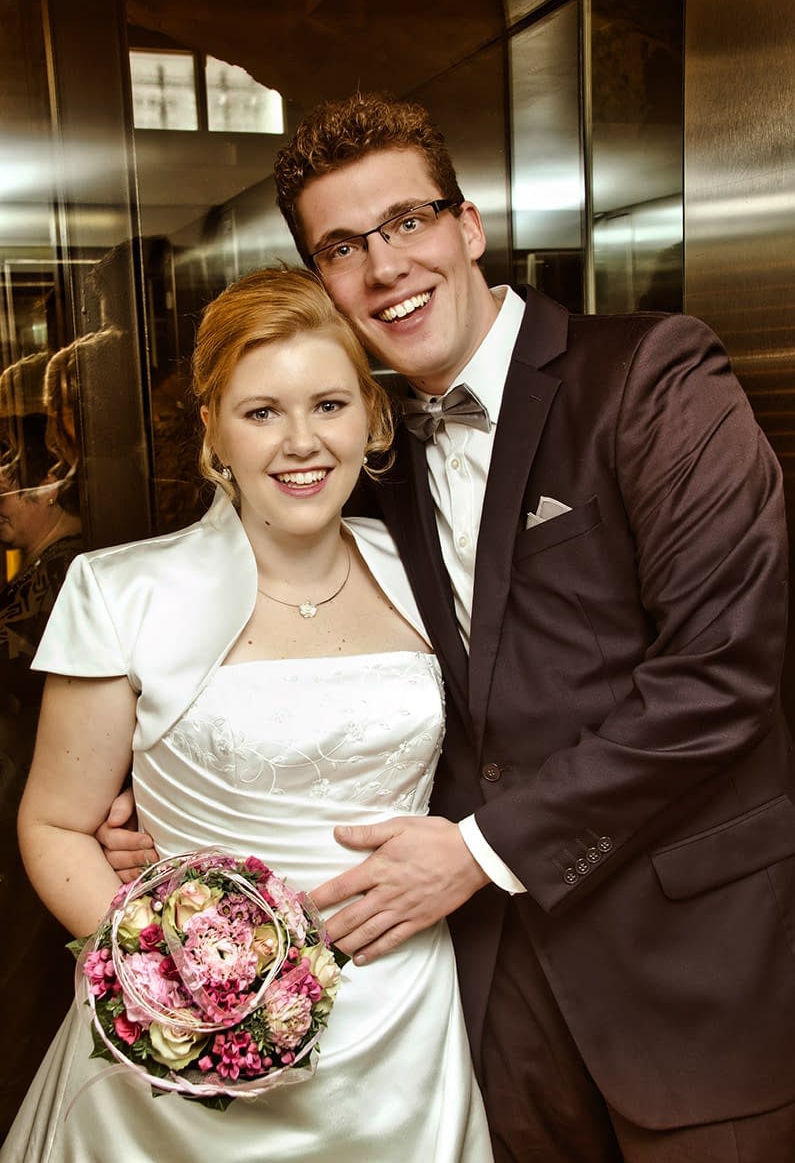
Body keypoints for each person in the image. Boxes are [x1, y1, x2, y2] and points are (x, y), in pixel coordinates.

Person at [101, 92, 795, 1162]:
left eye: (407, 222)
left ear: (467, 227)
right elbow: (312, 657)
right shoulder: (365, 463)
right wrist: (158, 797)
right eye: (343, 247)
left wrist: (480, 849)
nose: (385, 268)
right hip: (482, 997)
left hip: (687, 963)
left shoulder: (650, 376)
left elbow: (722, 674)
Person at [2, 267, 492, 1162]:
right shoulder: (119, 591)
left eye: (329, 405)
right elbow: (57, 822)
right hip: (180, 1054)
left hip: (398, 1029)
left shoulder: (439, 572)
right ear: (213, 429)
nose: (301, 442)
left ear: (372, 417)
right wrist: (162, 983)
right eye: (261, 411)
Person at [0, 399, 83, 1139]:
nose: (1, 496)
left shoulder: (64, 573)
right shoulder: (38, 569)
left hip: (35, 784)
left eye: (11, 479)